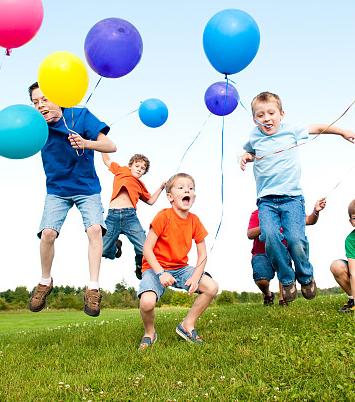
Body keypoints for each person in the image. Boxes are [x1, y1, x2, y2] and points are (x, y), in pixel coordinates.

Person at [240, 91, 355, 304]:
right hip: (266, 201)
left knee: (295, 239)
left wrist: (342, 131)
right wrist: (246, 157)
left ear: (281, 114)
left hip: (292, 199)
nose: (266, 118)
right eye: (261, 115)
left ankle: (305, 276)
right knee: (270, 236)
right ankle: (287, 279)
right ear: (254, 119)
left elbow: (318, 128)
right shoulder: (254, 137)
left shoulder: (291, 131)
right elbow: (250, 153)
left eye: (271, 113)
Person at [27, 82, 116, 317]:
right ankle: (45, 281)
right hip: (56, 189)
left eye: (44, 99)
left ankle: (93, 288)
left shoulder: (80, 115)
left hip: (86, 188)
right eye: (35, 102)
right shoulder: (35, 126)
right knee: (47, 233)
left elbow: (110, 145)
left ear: (59, 98)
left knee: (95, 230)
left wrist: (86, 143)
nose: (40, 106)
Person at [137, 173, 218, 349]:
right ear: (170, 197)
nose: (186, 190)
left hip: (180, 268)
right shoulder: (163, 216)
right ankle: (149, 332)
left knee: (211, 287)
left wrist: (196, 277)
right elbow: (147, 249)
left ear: (193, 197)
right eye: (180, 187)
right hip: (155, 267)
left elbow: (202, 253)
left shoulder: (195, 221)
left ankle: (187, 325)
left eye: (190, 188)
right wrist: (160, 272)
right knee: (147, 302)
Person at [248, 198, 326, 306]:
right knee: (261, 280)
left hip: (283, 251)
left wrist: (316, 211)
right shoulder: (259, 214)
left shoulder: (289, 212)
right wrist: (268, 226)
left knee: (283, 262)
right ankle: (268, 294)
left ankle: (283, 298)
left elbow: (309, 221)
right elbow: (250, 234)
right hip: (262, 253)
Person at [100, 152, 166, 280]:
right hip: (112, 217)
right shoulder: (121, 170)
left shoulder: (140, 185)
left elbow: (151, 201)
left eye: (143, 169)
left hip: (130, 217)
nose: (139, 170)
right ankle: (115, 247)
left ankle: (139, 264)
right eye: (137, 166)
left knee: (145, 248)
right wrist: (102, 146)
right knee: (102, 250)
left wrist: (161, 188)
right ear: (130, 166)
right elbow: (107, 160)